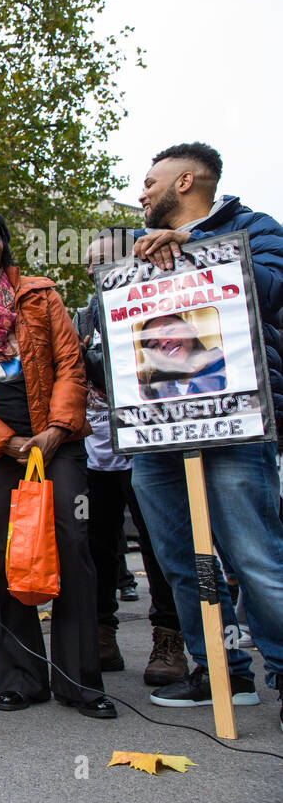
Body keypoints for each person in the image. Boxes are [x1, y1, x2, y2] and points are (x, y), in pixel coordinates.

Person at [0, 208, 115, 718]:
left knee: (72, 545)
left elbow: (71, 364)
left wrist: (55, 431)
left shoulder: (40, 293)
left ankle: (80, 683)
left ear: (4, 245)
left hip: (57, 441)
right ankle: (20, 679)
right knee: (2, 557)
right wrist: (7, 443)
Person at [127, 142, 283, 721]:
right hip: (155, 430)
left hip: (234, 425)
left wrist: (193, 246)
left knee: (255, 555)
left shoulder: (253, 227)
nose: (141, 193)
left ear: (186, 180)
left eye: (150, 181)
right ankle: (219, 670)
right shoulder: (135, 249)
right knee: (182, 559)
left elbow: (270, 288)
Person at [74, 228, 188, 686]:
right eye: (89, 263)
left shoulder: (156, 312)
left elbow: (151, 371)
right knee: (96, 547)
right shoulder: (79, 318)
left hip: (148, 451)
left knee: (160, 548)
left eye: (104, 262)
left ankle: (169, 638)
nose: (93, 270)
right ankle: (103, 633)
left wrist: (95, 366)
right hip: (93, 454)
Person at [135, 313, 226, 399]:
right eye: (154, 345)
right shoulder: (156, 392)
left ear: (191, 329)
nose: (163, 343)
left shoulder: (232, 367)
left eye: (169, 331)